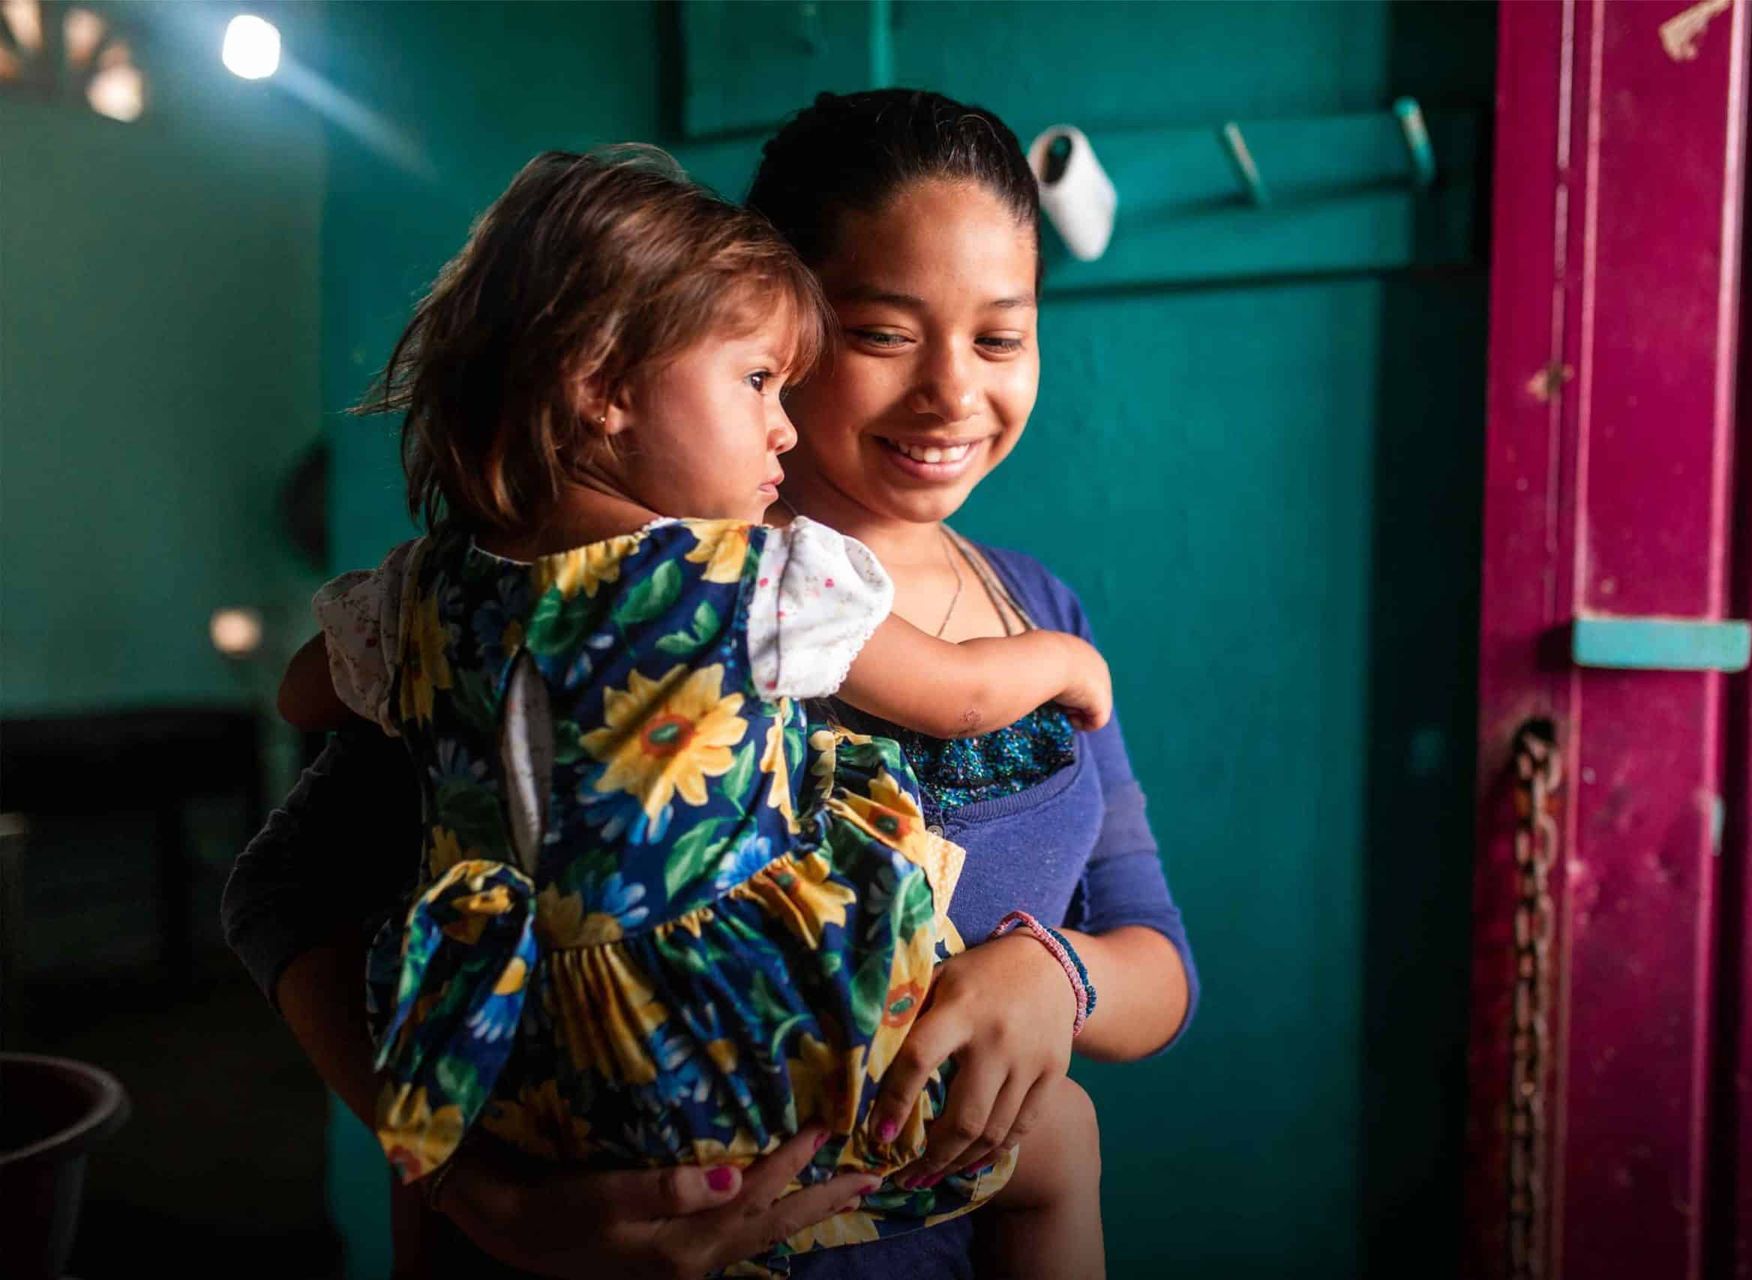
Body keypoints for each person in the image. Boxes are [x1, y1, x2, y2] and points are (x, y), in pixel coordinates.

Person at [225, 90, 1197, 1279]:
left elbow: (1157, 956)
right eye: (883, 333)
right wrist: (476, 1189)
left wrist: (1061, 973)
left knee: (1067, 1141)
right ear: (765, 327)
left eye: (1001, 338)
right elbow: (282, 891)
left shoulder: (1035, 607)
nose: (953, 393)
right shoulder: (601, 600)